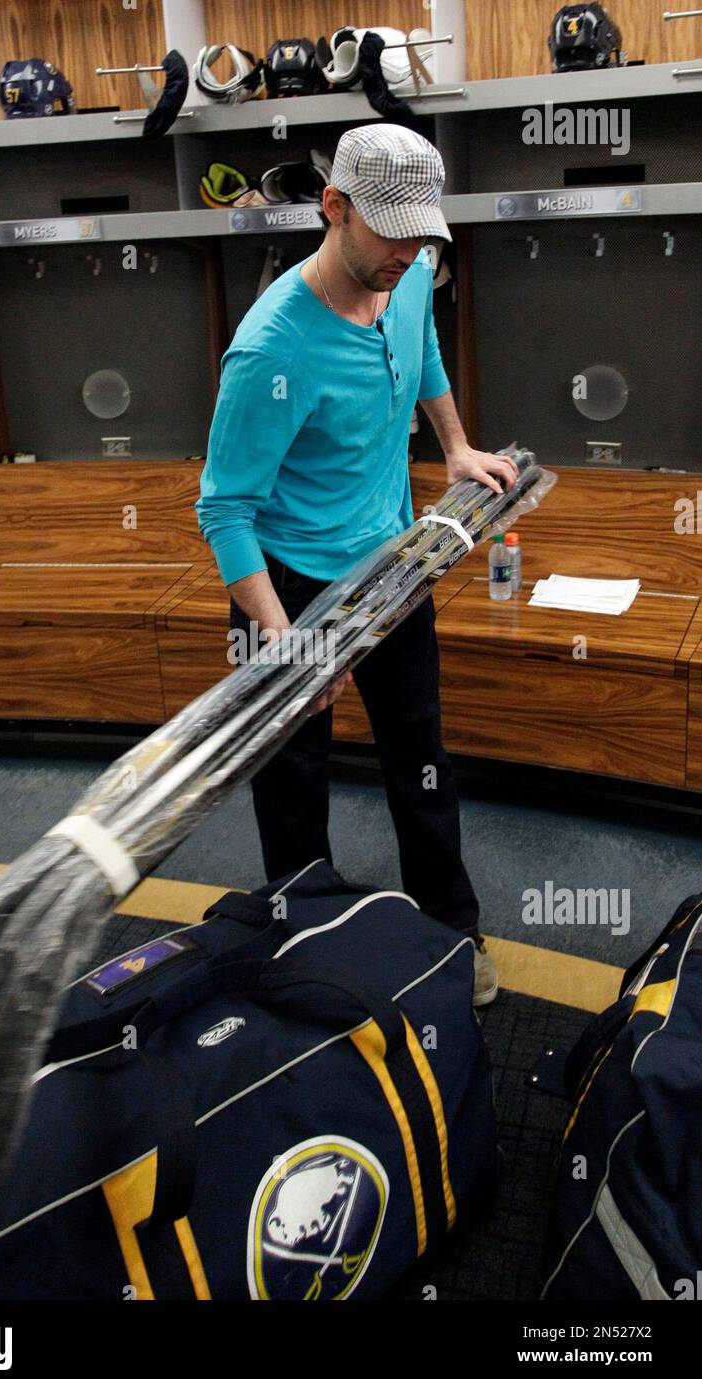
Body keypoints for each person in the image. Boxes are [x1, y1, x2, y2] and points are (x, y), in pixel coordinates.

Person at [196, 124, 516, 1006]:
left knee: (421, 758)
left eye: (422, 234)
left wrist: (453, 447)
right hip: (289, 589)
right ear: (333, 209)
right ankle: (307, 941)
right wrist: (283, 636)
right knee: (293, 779)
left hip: (393, 566)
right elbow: (222, 508)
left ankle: (453, 930)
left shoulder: (407, 274)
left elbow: (424, 358)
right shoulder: (271, 350)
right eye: (391, 232)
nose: (410, 253)